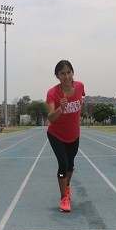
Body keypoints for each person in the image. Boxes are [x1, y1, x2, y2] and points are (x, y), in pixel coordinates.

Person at [46, 60, 85, 212]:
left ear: (73, 73)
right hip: (56, 134)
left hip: (74, 134)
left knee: (71, 165)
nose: (66, 76)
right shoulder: (53, 93)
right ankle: (64, 199)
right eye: (62, 73)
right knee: (63, 164)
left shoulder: (80, 86)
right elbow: (50, 118)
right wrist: (60, 108)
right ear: (57, 76)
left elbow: (81, 96)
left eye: (69, 72)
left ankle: (67, 186)